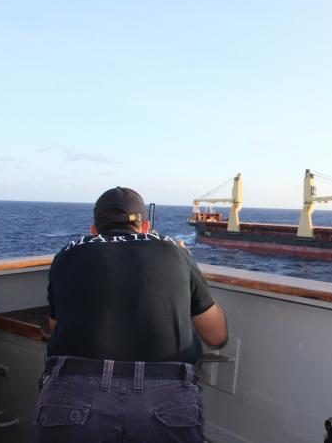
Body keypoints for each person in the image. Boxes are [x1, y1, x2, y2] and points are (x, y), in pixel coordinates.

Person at [35, 187, 227, 443]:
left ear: (94, 229)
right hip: (165, 397)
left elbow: (56, 324)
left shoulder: (68, 253)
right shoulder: (175, 252)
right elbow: (216, 335)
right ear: (146, 226)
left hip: (74, 394)